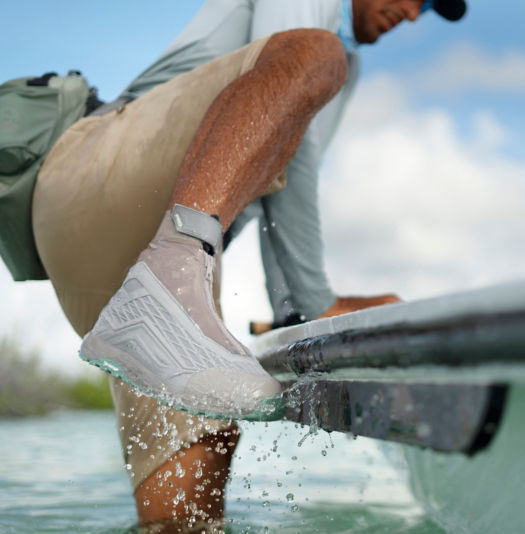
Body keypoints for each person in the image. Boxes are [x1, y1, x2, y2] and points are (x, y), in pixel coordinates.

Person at [32, 0, 466, 531]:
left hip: (120, 263)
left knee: (187, 512)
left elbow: (280, 179)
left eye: (428, 8)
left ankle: (168, 292)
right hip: (98, 177)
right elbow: (295, 144)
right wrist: (317, 301)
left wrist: (292, 313)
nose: (415, 14)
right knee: (315, 54)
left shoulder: (350, 69)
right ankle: (173, 268)